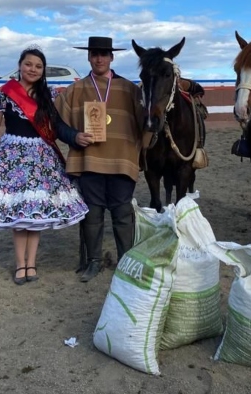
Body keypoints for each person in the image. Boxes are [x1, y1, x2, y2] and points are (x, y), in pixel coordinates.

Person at [0, 47, 94, 285]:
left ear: (43, 70)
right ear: (20, 65)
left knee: (33, 215)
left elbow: (56, 127)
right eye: (28, 64)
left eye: (38, 66)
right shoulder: (5, 94)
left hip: (41, 158)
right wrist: (10, 150)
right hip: (12, 159)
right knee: (18, 216)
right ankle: (20, 265)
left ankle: (32, 264)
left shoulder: (48, 95)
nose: (33, 69)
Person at [54, 36, 144, 283]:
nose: (99, 58)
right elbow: (56, 122)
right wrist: (73, 136)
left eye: (104, 54)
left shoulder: (130, 89)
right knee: (92, 214)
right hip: (89, 159)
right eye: (94, 54)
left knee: (123, 213)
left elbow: (148, 123)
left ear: (112, 57)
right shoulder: (75, 90)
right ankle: (93, 261)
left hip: (122, 160)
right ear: (88, 57)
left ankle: (125, 261)